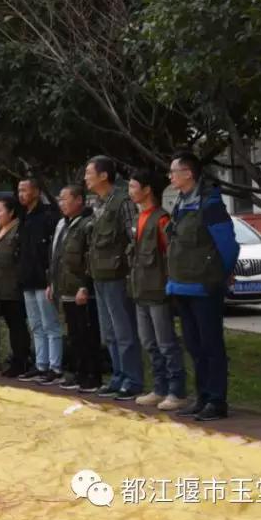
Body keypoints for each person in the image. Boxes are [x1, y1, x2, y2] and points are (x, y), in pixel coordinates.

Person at [166, 152, 239, 421]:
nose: (170, 176)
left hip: (204, 286)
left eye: (174, 171)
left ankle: (217, 400)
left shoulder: (210, 204)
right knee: (195, 347)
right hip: (181, 286)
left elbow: (228, 246)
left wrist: (223, 273)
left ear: (189, 173)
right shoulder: (181, 203)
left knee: (211, 345)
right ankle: (202, 397)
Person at [84, 156, 144, 401]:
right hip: (99, 274)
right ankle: (118, 376)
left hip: (117, 275)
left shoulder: (123, 201)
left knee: (124, 330)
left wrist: (127, 266)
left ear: (103, 175)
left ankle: (133, 379)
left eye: (89, 173)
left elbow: (134, 237)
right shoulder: (97, 203)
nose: (86, 177)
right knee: (108, 332)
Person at [128, 169, 187, 411]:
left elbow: (169, 255)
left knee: (166, 343)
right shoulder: (137, 218)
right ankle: (159, 387)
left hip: (157, 292)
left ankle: (177, 391)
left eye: (133, 187)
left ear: (147, 189)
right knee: (149, 343)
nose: (130, 192)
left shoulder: (161, 219)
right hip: (140, 290)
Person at [50, 184, 102, 393]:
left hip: (81, 288)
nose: (61, 203)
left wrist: (85, 286)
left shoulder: (87, 224)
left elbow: (89, 257)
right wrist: (53, 283)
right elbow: (57, 257)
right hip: (66, 287)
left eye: (65, 198)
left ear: (79, 200)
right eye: (60, 199)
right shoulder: (65, 224)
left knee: (87, 333)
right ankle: (79, 372)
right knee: (74, 334)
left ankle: (92, 374)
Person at [16, 178, 62, 385]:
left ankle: (55, 366)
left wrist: (51, 279)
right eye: (19, 190)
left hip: (44, 279)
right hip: (27, 278)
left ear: (36, 191)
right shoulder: (24, 216)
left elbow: (52, 251)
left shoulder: (48, 216)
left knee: (50, 324)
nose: (21, 194)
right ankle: (41, 363)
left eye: (24, 190)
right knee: (35, 325)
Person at [0, 197, 33, 378]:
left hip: (13, 287)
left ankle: (22, 361)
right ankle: (16, 358)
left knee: (17, 326)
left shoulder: (17, 229)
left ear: (11, 212)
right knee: (10, 325)